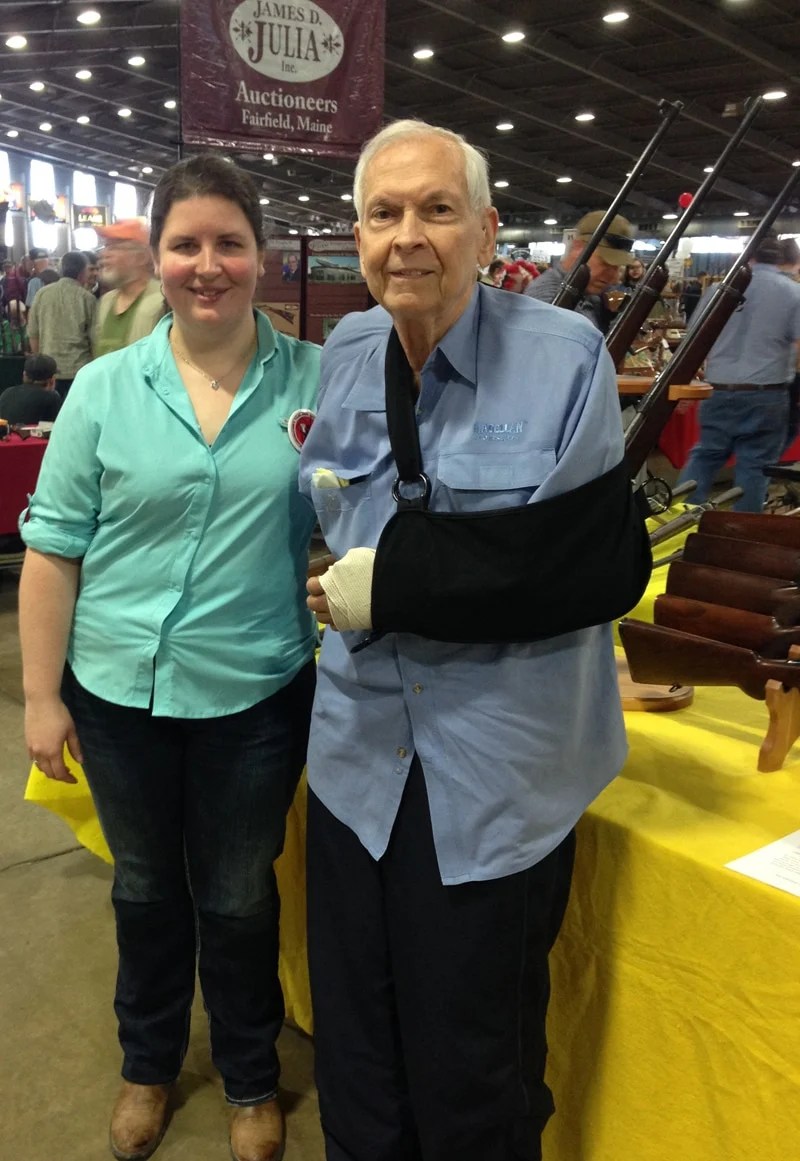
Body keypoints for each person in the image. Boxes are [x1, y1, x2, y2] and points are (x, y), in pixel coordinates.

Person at [299, 119, 645, 1161]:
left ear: (487, 230)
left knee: (474, 1076)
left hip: (493, 775)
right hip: (354, 769)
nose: (408, 237)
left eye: (436, 210)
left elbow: (576, 567)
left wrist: (395, 583)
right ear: (356, 234)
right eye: (383, 213)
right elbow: (319, 520)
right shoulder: (348, 354)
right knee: (355, 1055)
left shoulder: (564, 358)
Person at [18, 154, 321, 1161]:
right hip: (116, 693)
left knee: (238, 896)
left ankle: (246, 1077)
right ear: (156, 257)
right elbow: (53, 551)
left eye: (227, 243)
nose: (207, 264)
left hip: (253, 693)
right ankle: (147, 1067)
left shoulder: (317, 381)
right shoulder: (105, 389)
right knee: (145, 892)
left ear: (260, 257)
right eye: (186, 243)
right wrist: (39, 696)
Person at [677, 236, 800, 511]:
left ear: (746, 257)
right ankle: (737, 538)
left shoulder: (717, 291)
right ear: (779, 258)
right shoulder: (793, 293)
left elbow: (694, 343)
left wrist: (682, 385)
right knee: (755, 468)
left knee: (705, 456)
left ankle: (672, 529)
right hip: (766, 394)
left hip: (717, 390)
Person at [524, 210, 635, 333]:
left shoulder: (587, 291)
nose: (613, 277)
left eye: (617, 267)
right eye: (605, 263)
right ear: (578, 247)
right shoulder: (548, 298)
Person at [27, 250, 96, 398]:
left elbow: (33, 333)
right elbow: (94, 339)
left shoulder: (42, 294)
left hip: (49, 371)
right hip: (79, 369)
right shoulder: (87, 299)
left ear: (61, 269)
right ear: (82, 273)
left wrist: (40, 360)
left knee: (49, 417)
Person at [94, 219, 165, 356]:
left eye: (114, 248)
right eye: (105, 247)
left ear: (141, 257)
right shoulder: (106, 302)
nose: (104, 255)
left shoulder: (163, 301)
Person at [0, 353, 61, 424]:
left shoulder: (7, 392)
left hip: (7, 434)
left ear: (24, 375)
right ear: (52, 380)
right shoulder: (52, 397)